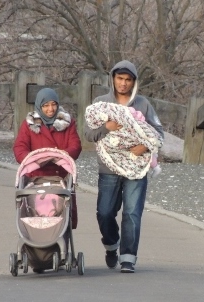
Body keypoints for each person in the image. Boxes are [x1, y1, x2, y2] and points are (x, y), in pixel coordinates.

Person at [84, 60, 164, 273]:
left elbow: (158, 134)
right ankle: (111, 246)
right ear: (113, 79)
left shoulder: (143, 105)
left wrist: (145, 147)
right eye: (120, 78)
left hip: (137, 169)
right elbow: (89, 134)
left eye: (128, 80)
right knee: (105, 212)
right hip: (108, 169)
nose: (123, 83)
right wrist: (107, 127)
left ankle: (128, 258)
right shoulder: (101, 104)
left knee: (131, 213)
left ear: (134, 82)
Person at [13, 87, 82, 230]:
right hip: (36, 177)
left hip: (60, 176)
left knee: (60, 216)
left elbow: (75, 146)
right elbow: (20, 148)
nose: (50, 109)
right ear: (39, 106)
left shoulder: (67, 123)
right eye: (46, 106)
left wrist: (60, 156)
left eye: (53, 104)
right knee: (35, 214)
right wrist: (35, 159)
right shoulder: (29, 124)